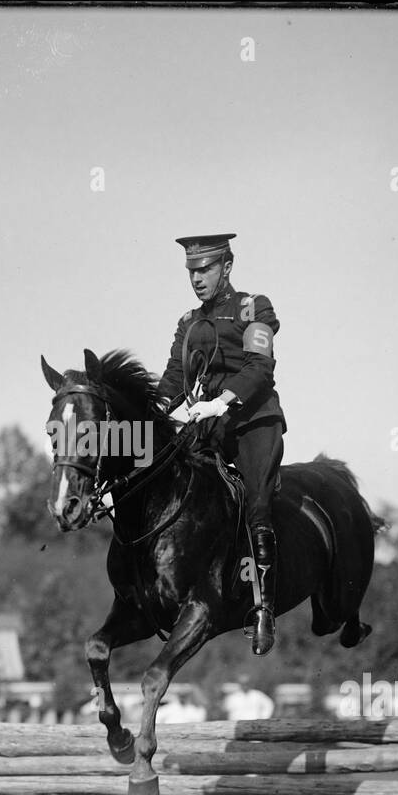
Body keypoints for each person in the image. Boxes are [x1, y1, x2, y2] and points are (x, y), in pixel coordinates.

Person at [158, 233, 286, 654]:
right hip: (208, 424)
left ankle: (264, 608)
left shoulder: (253, 307)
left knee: (257, 502)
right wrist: (156, 411)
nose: (197, 278)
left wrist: (220, 402)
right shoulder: (188, 322)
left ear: (226, 267)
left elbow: (259, 367)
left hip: (252, 420)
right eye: (192, 271)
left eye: (205, 269)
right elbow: (174, 379)